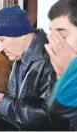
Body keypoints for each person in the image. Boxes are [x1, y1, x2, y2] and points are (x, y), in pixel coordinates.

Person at [44, 0, 77, 130]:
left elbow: (61, 109)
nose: (53, 44)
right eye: (51, 35)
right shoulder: (57, 66)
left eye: (61, 36)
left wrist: (71, 71)